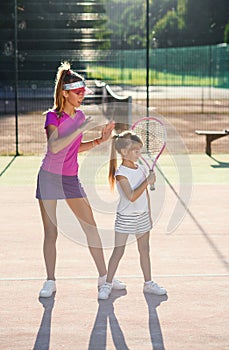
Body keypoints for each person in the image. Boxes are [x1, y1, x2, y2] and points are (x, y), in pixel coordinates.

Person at [36, 61, 126, 297]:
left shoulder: (80, 116)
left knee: (91, 228)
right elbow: (55, 146)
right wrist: (77, 129)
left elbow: (73, 148)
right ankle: (50, 280)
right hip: (48, 179)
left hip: (71, 179)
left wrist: (99, 140)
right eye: (78, 92)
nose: (82, 96)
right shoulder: (52, 117)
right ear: (65, 93)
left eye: (83, 92)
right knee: (51, 232)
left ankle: (104, 278)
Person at [98, 131, 167, 300]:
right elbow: (131, 196)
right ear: (124, 152)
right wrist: (147, 182)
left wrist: (149, 214)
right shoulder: (121, 173)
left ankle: (148, 283)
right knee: (118, 251)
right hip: (126, 217)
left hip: (142, 217)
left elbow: (145, 196)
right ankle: (107, 283)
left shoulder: (141, 169)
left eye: (139, 150)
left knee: (144, 250)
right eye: (135, 151)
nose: (139, 154)